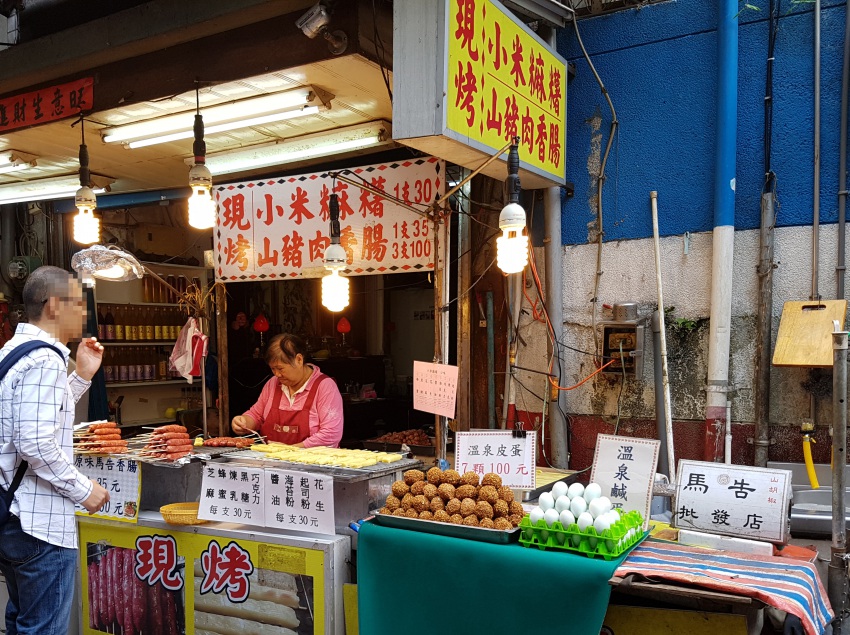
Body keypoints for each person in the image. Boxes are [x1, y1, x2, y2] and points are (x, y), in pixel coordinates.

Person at [0, 266, 109, 635]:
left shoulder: (13, 353)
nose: (84, 312)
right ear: (54, 306)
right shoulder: (45, 359)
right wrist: (85, 491)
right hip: (40, 525)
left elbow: (39, 419)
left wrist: (82, 375)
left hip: (13, 516)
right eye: (78, 303)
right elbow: (35, 441)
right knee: (43, 629)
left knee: (22, 622)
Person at [232, 333, 344, 447]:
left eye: (280, 368)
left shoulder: (325, 387)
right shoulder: (273, 383)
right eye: (272, 368)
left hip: (313, 462)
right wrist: (244, 422)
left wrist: (290, 451)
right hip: (272, 463)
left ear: (299, 360)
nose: (277, 374)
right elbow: (257, 415)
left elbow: (331, 434)